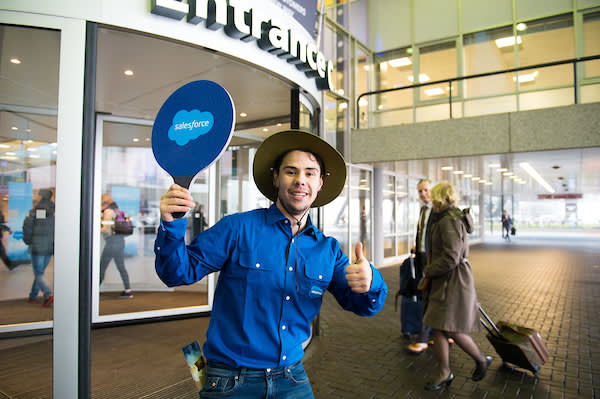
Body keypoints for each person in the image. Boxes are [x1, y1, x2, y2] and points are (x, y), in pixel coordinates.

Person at [155, 129, 388, 398]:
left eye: (310, 173)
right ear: (276, 177)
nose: (301, 180)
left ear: (320, 183)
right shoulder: (238, 228)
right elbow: (177, 272)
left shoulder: (328, 250)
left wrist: (371, 282)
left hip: (292, 377)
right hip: (230, 379)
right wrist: (172, 225)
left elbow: (363, 306)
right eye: (291, 171)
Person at [418, 182, 492, 391]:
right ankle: (445, 371)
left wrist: (429, 272)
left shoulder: (447, 221)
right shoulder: (450, 217)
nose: (431, 199)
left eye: (434, 196)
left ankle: (478, 360)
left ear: (441, 197)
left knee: (448, 328)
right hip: (451, 280)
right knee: (440, 327)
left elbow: (452, 256)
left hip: (451, 282)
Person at [406, 179, 433, 353]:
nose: (423, 194)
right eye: (420, 191)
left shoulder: (437, 210)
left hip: (432, 259)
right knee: (428, 295)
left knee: (429, 296)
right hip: (422, 256)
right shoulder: (423, 210)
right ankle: (441, 333)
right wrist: (418, 247)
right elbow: (422, 233)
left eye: (425, 190)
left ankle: (423, 337)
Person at [22, 189, 55, 306]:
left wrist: (27, 240)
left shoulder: (35, 210)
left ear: (40, 196)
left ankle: (48, 294)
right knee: (40, 272)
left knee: (39, 273)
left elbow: (28, 226)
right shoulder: (55, 210)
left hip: (37, 245)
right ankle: (33, 296)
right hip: (50, 246)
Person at [100, 194, 133, 298]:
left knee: (101, 267)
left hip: (112, 242)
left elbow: (106, 228)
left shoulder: (108, 211)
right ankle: (128, 291)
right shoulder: (118, 211)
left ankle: (92, 291)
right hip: (120, 241)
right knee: (121, 267)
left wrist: (98, 230)